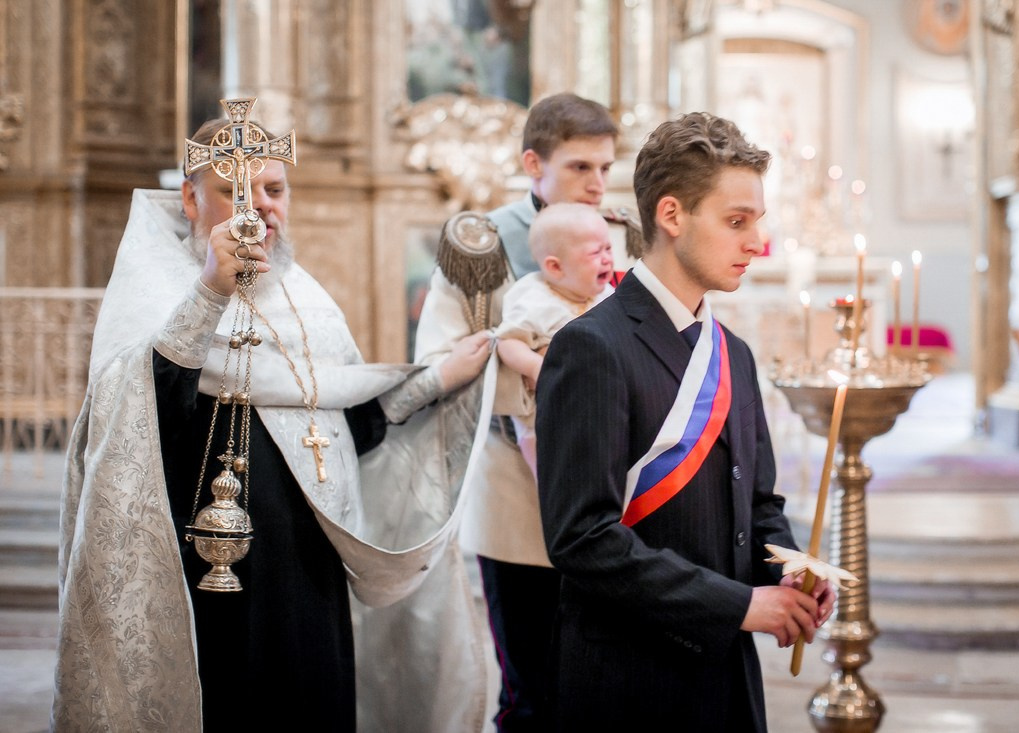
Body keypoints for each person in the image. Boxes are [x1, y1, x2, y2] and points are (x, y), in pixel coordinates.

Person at [53, 116, 492, 732]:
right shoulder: (155, 290)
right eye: (237, 188)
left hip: (310, 567)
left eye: (274, 189)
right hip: (210, 573)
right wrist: (210, 290)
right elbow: (138, 417)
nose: (260, 206)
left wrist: (436, 381)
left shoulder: (307, 299)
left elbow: (348, 421)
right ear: (188, 198)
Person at [534, 112, 838, 732]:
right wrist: (741, 605)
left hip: (724, 672)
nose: (757, 243)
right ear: (672, 216)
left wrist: (789, 567)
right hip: (629, 680)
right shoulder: (593, 347)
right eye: (737, 222)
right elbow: (582, 539)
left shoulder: (734, 353)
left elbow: (758, 503)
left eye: (757, 221)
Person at [408, 92, 622, 733]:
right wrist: (549, 371)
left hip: (610, 491)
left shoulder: (619, 237)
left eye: (606, 169)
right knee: (531, 694)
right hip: (514, 490)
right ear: (534, 162)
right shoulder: (479, 245)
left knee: (603, 688)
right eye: (581, 167)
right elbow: (440, 361)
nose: (597, 184)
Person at [495, 203, 615, 476]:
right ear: (555, 267)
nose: (607, 259)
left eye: (608, 248)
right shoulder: (533, 298)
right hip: (543, 417)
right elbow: (508, 343)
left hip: (594, 408)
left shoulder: (606, 295)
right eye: (596, 253)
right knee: (555, 479)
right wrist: (539, 369)